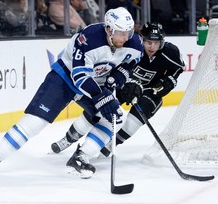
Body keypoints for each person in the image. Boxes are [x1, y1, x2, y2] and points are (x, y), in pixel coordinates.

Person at [0, 7, 144, 177]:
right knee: (35, 122)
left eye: (128, 32)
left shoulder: (134, 43)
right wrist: (100, 96)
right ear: (108, 29)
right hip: (65, 79)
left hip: (97, 83)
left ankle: (81, 157)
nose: (125, 38)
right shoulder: (89, 38)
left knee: (116, 116)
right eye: (121, 33)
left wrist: (120, 77)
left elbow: (132, 62)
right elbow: (80, 76)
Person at [51, 22, 185, 166]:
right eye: (148, 42)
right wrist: (124, 81)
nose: (152, 46)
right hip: (124, 86)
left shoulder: (170, 52)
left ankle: (110, 145)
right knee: (99, 109)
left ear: (162, 42)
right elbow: (116, 68)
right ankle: (69, 138)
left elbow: (178, 69)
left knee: (141, 113)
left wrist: (170, 81)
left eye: (156, 43)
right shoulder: (133, 48)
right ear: (142, 40)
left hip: (150, 90)